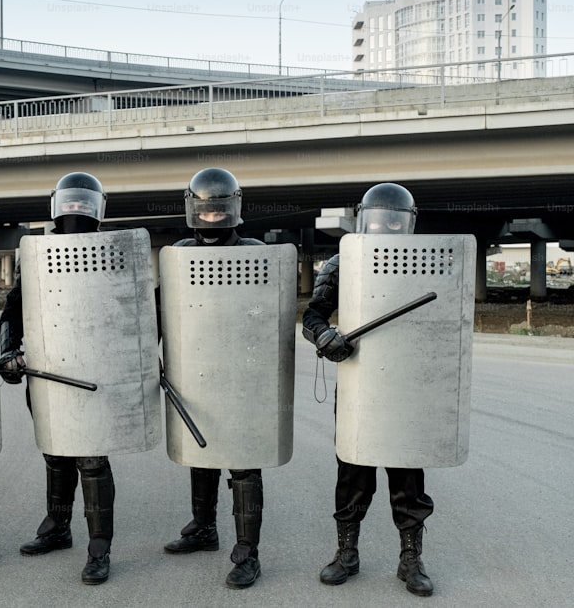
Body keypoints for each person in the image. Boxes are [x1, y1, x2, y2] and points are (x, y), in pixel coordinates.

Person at [302, 182, 435, 597]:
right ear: (364, 219)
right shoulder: (344, 262)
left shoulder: (426, 261)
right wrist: (324, 336)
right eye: (380, 219)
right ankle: (347, 553)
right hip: (360, 382)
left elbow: (445, 319)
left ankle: (410, 559)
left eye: (395, 220)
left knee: (407, 474)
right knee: (353, 471)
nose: (387, 226)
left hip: (406, 385)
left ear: (408, 223)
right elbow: (313, 314)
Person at [0, 172, 117, 585]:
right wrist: (9, 350)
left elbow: (135, 311)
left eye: (83, 204)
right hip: (47, 368)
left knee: (92, 458)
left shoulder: (113, 252)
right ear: (57, 206)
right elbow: (13, 310)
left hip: (94, 370)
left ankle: (99, 548)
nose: (76, 211)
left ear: (97, 208)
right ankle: (58, 526)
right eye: (70, 204)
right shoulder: (37, 254)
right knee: (56, 451)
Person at [160, 168, 269, 589]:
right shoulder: (178, 254)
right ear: (193, 210)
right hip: (195, 367)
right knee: (200, 451)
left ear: (234, 209)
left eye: (218, 210)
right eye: (205, 211)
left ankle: (248, 554)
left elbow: (268, 315)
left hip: (243, 372)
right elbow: (159, 309)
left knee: (243, 461)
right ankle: (204, 528)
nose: (212, 218)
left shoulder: (256, 252)